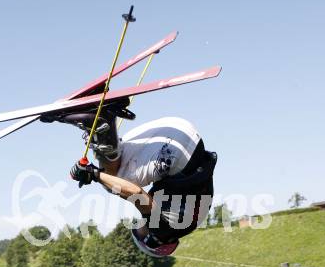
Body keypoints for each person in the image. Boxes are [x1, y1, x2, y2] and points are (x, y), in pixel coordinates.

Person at [65, 104, 217, 257]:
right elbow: (137, 194)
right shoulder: (161, 233)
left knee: (117, 158)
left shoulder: (189, 223)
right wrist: (94, 175)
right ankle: (98, 125)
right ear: (150, 240)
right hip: (179, 151)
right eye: (138, 232)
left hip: (181, 130)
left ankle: (105, 121)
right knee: (113, 182)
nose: (138, 224)